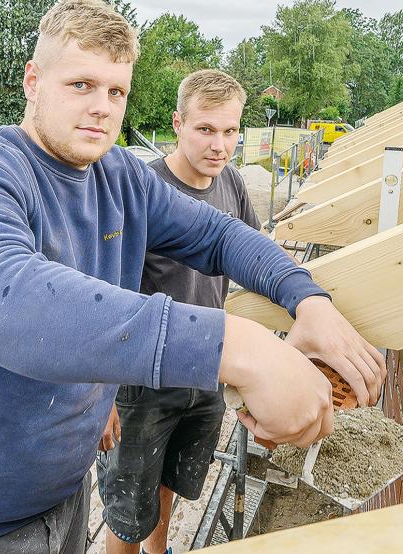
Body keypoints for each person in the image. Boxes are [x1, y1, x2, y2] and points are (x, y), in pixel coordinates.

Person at [0, 1, 384, 552]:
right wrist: (240, 346)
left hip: (63, 489)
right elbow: (2, 298)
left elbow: (220, 235)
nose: (101, 107)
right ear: (33, 81)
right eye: (81, 84)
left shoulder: (120, 177)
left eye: (116, 91)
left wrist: (307, 299)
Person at [95, 69, 261, 554]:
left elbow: (253, 255)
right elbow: (101, 295)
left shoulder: (232, 185)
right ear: (177, 124)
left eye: (230, 130)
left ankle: (159, 550)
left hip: (205, 373)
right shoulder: (141, 190)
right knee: (127, 511)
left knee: (171, 483)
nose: (219, 145)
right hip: (142, 383)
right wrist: (98, 395)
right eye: (205, 129)